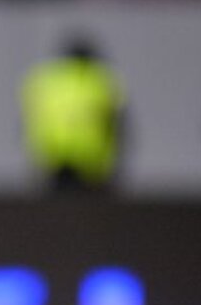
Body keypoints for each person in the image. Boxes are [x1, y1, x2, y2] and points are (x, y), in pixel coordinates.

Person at [20, 34, 126, 194]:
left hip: (51, 160)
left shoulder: (44, 80)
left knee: (54, 213)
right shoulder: (101, 80)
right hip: (92, 162)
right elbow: (118, 125)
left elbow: (29, 120)